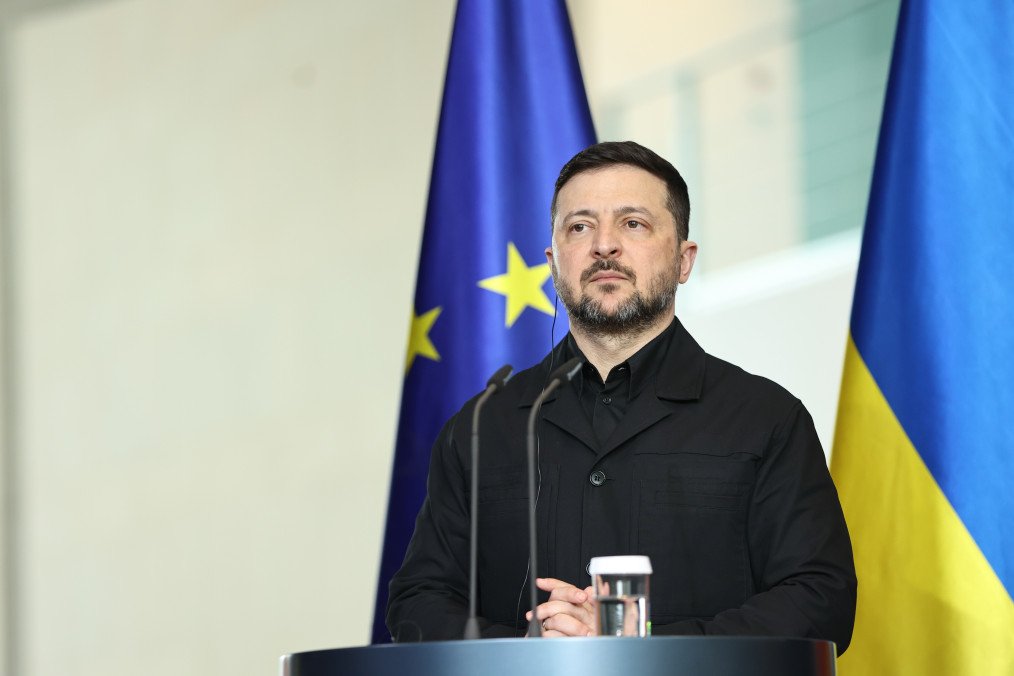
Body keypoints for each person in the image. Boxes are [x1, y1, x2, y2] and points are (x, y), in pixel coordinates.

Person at [386, 141, 857, 651]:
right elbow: (419, 601)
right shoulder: (483, 425)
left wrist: (642, 648)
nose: (604, 245)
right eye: (579, 227)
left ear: (683, 260)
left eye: (633, 224)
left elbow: (820, 600)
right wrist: (533, 652)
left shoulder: (765, 419)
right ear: (553, 263)